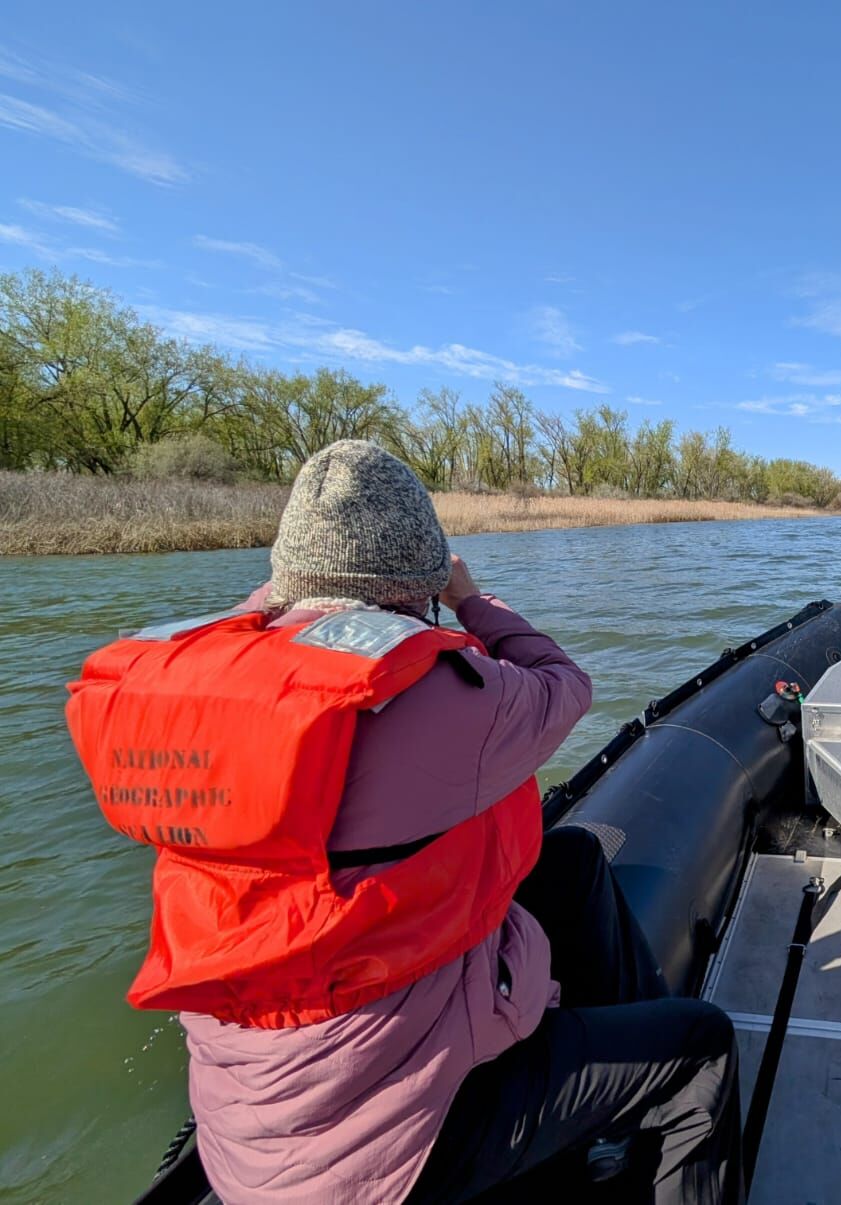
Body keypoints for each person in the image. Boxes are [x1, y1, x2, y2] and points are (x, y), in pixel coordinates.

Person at [65, 440, 743, 1204]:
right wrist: (471, 598)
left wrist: (296, 591)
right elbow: (565, 684)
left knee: (572, 859)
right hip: (391, 1147)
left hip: (253, 1130)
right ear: (417, 582)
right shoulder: (444, 696)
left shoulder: (201, 697)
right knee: (702, 1047)